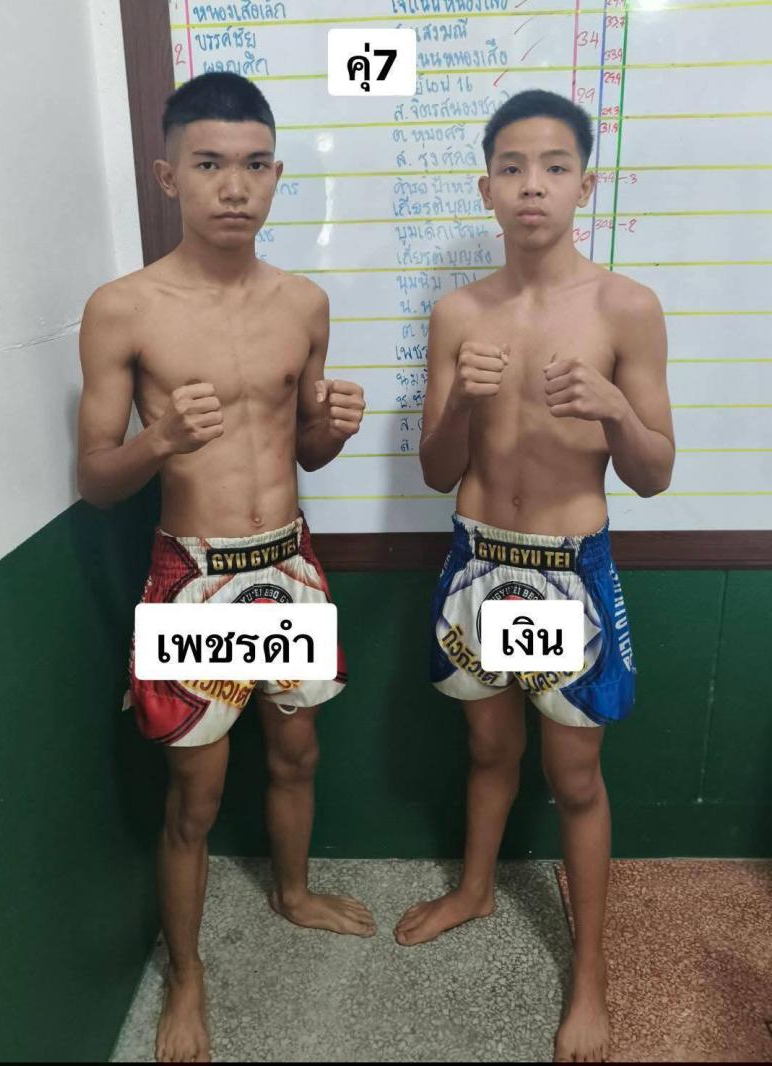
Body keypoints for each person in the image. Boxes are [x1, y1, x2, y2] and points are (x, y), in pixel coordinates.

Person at [76, 72, 372, 1064]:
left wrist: (330, 431)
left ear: (276, 176)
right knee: (195, 797)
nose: (233, 187)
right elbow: (96, 479)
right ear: (169, 176)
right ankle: (188, 977)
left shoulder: (304, 303)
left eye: (253, 166)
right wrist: (159, 440)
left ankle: (291, 891)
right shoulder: (123, 309)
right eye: (209, 164)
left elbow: (306, 450)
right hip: (194, 575)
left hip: (286, 562)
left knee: (296, 754)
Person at [394, 89, 675, 1063]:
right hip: (478, 558)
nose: (531, 186)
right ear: (486, 187)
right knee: (486, 748)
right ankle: (476, 891)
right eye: (511, 167)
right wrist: (460, 406)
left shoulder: (625, 308)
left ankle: (587, 976)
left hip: (568, 568)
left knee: (575, 776)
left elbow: (653, 473)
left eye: (554, 167)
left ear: (583, 185)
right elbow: (436, 470)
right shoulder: (458, 312)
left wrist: (613, 409)